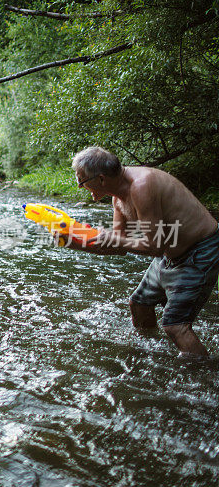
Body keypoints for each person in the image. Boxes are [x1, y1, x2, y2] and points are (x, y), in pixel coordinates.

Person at [63, 146, 219, 357]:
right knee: (139, 304)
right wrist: (72, 242)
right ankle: (152, 353)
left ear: (101, 179)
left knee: (175, 325)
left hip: (201, 249)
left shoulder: (142, 186)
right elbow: (118, 247)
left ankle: (205, 375)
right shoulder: (117, 198)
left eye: (81, 181)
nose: (79, 186)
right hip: (169, 253)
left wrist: (113, 238)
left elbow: (154, 247)